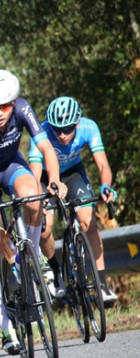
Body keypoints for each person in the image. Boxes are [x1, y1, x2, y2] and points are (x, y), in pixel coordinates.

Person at [0, 69, 65, 354]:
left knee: (33, 198)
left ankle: (32, 257)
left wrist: (53, 180)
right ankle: (7, 328)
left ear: (13, 102)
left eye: (4, 106)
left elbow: (45, 147)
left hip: (8, 167)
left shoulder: (23, 108)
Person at [29, 96, 119, 305]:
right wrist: (37, 200)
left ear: (77, 123)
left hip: (72, 173)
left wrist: (105, 186)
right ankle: (55, 270)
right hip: (44, 177)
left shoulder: (89, 127)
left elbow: (103, 165)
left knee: (88, 222)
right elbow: (33, 173)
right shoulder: (41, 133)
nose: (62, 135)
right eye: (56, 129)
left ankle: (102, 284)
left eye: (68, 129)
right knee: (45, 228)